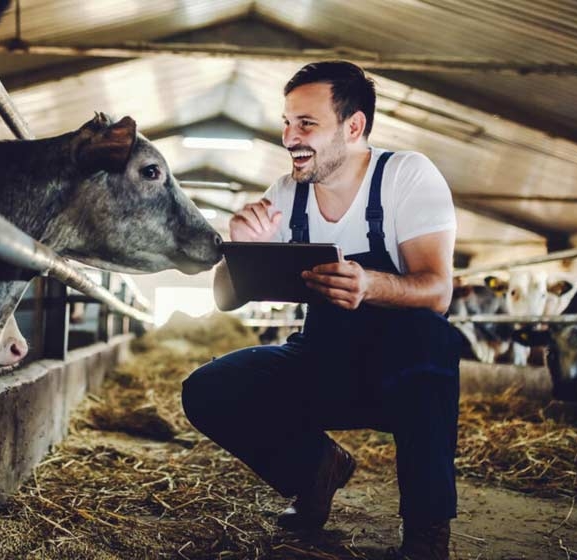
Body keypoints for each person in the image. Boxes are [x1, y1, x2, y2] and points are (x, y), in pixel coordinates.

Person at [182, 61, 460, 560]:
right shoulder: (286, 195)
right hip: (324, 355)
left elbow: (438, 290)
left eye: (306, 124)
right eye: (287, 123)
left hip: (402, 369)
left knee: (431, 342)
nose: (290, 138)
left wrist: (370, 284)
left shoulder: (404, 176)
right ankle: (315, 469)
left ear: (353, 126)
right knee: (208, 388)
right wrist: (239, 251)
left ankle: (426, 530)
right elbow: (225, 298)